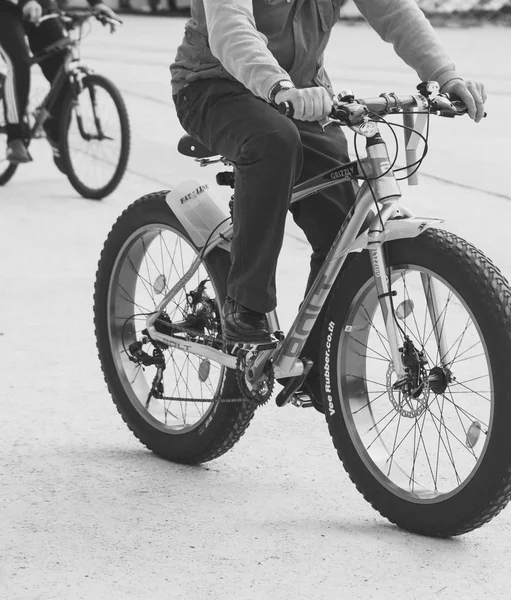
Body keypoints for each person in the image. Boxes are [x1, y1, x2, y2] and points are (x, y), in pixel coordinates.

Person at [170, 0, 486, 406]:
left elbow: (394, 11)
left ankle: (315, 360)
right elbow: (230, 27)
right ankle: (244, 305)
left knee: (343, 226)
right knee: (273, 142)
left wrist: (444, 75)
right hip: (214, 87)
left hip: (300, 95)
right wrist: (279, 87)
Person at [0, 0, 117, 164]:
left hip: (40, 7)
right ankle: (15, 139)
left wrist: (97, 4)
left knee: (63, 71)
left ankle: (54, 132)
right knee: (19, 64)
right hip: (6, 9)